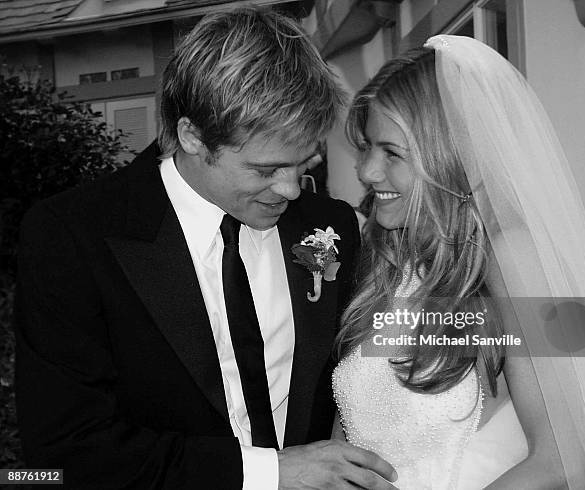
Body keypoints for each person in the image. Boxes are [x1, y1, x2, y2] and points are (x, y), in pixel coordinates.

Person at [15, 8, 399, 490]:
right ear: (192, 135)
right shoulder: (72, 236)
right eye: (265, 170)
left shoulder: (330, 225)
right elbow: (65, 453)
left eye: (304, 162)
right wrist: (268, 474)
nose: (290, 190)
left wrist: (501, 330)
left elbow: (379, 348)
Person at [332, 35, 585, 489]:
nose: (366, 171)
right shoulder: (391, 263)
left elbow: (567, 459)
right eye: (367, 147)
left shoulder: (517, 255)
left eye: (392, 153)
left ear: (451, 156)